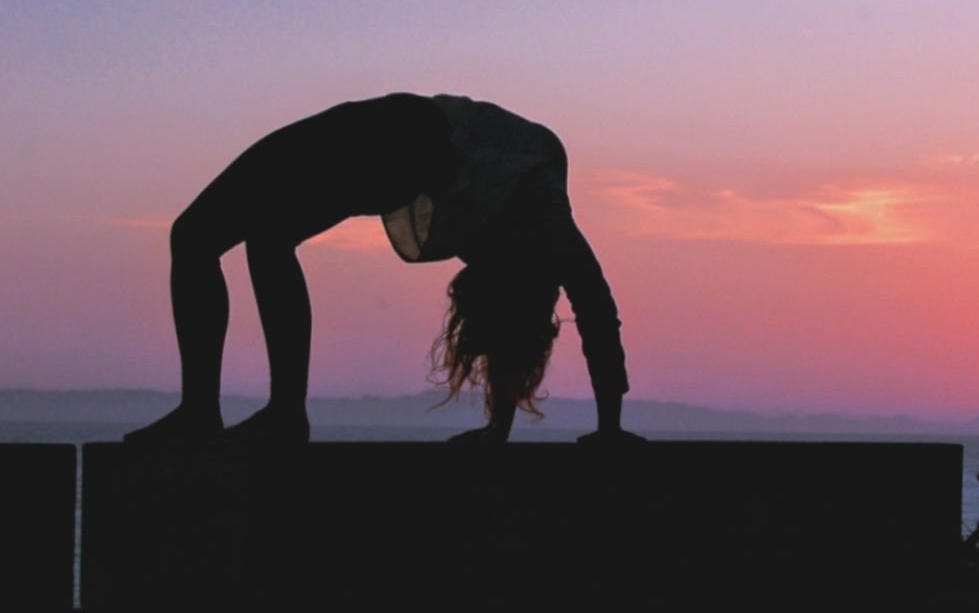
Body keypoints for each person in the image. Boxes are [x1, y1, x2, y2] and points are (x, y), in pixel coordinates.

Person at [122, 92, 640, 446]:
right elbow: (594, 312)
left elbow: (579, 316)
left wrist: (509, 432)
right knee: (250, 238)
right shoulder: (543, 231)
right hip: (402, 136)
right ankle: (264, 413)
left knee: (208, 236)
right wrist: (606, 429)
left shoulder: (526, 226)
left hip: (401, 133)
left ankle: (245, 413)